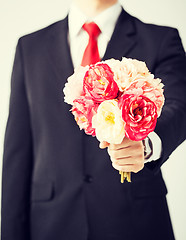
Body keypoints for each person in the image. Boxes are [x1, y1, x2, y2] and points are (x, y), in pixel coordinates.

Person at [1, 0, 186, 239]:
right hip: (51, 222)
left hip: (136, 222)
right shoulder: (30, 47)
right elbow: (18, 151)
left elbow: (179, 107)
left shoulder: (160, 39)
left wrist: (146, 142)